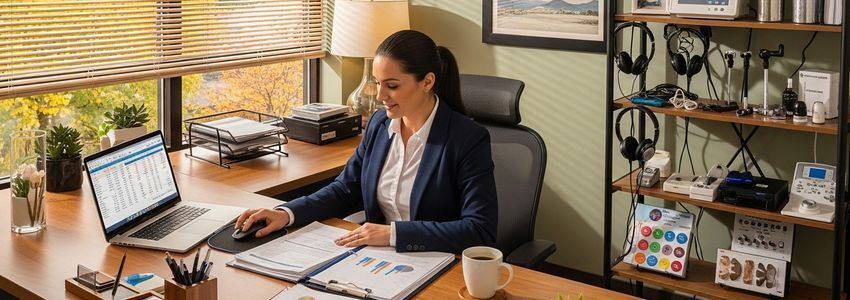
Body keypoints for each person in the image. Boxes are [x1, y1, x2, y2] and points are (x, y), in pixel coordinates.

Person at [236, 30, 498, 254]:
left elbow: (479, 229)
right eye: (377, 83)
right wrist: (286, 214)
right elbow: (345, 190)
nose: (380, 95)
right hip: (376, 258)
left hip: (436, 262)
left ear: (427, 81)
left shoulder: (467, 139)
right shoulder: (379, 124)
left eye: (392, 85)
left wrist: (392, 234)